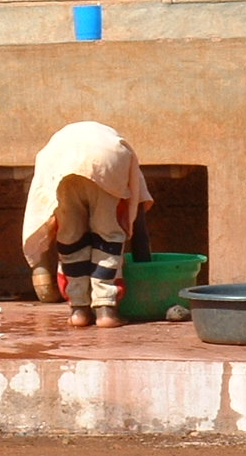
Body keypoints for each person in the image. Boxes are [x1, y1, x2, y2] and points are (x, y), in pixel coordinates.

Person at [22, 122, 153, 329]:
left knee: (71, 238)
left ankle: (79, 311)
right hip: (107, 160)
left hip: (60, 162)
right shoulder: (126, 160)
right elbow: (139, 221)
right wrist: (146, 266)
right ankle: (106, 310)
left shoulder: (69, 137)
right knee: (107, 237)